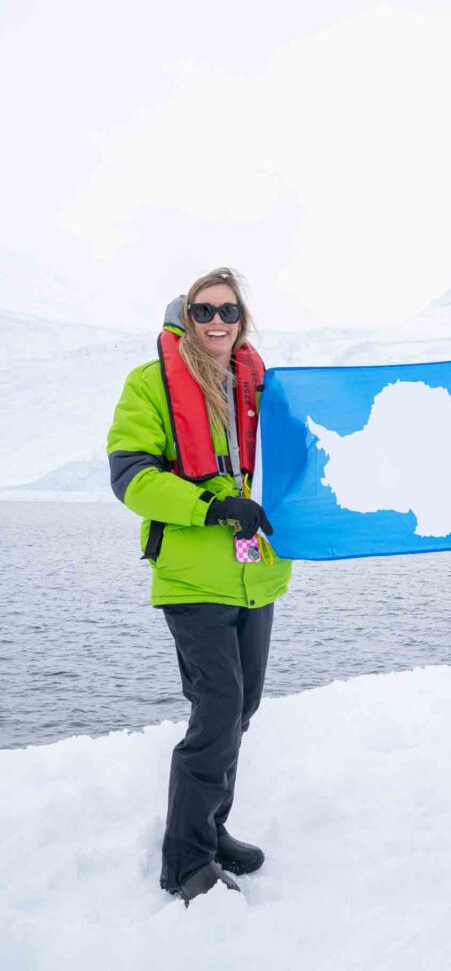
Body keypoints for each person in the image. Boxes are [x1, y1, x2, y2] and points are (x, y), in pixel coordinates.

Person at [107, 268, 291, 904]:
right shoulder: (150, 383)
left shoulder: (260, 386)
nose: (217, 321)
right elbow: (131, 476)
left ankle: (211, 829)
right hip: (192, 577)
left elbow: (299, 461)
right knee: (215, 714)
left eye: (229, 310)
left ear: (243, 318)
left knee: (239, 711)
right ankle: (184, 861)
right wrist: (212, 508)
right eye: (204, 310)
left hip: (256, 577)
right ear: (186, 316)